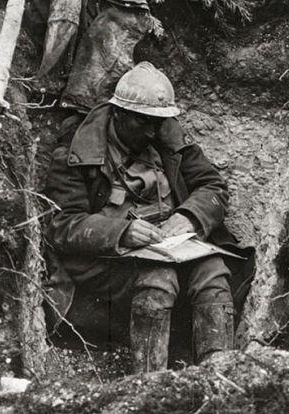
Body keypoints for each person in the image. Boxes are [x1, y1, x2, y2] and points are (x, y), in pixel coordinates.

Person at [44, 61, 242, 373]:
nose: (152, 131)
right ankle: (149, 385)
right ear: (118, 114)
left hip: (174, 244)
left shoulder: (166, 135)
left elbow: (212, 185)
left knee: (214, 272)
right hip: (113, 258)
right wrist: (121, 231)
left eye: (158, 123)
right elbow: (63, 225)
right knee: (157, 280)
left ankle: (219, 377)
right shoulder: (78, 151)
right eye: (143, 122)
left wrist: (189, 216)